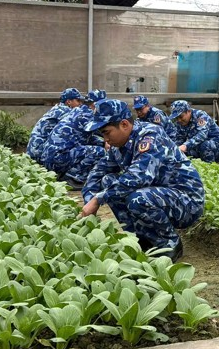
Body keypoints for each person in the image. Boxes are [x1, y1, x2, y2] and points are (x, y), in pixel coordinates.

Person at [81, 99, 205, 262]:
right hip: (160, 195)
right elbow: (98, 172)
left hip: (186, 202)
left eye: (107, 132)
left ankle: (169, 243)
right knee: (108, 181)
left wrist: (98, 200)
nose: (105, 140)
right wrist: (89, 200)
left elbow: (138, 177)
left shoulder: (150, 135)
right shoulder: (118, 146)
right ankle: (141, 238)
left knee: (137, 198)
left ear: (124, 124)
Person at [42, 88, 107, 185]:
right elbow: (107, 133)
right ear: (95, 105)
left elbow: (88, 137)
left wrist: (102, 143)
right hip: (58, 159)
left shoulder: (78, 111)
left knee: (97, 145)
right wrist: (106, 143)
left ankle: (65, 174)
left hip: (50, 159)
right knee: (99, 152)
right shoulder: (89, 116)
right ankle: (73, 178)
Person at [26, 87, 83, 161]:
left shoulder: (57, 109)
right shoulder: (65, 111)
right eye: (78, 100)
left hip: (33, 151)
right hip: (40, 152)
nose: (80, 103)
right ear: (69, 102)